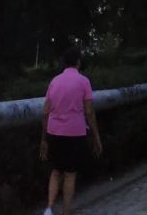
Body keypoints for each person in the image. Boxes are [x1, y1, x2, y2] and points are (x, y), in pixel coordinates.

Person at [40, 45, 102, 215]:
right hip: (75, 133)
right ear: (78, 62)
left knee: (55, 171)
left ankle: (49, 209)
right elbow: (89, 112)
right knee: (69, 174)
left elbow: (45, 112)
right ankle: (66, 212)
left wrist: (44, 139)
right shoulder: (84, 81)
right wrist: (96, 137)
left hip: (54, 132)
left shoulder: (54, 81)